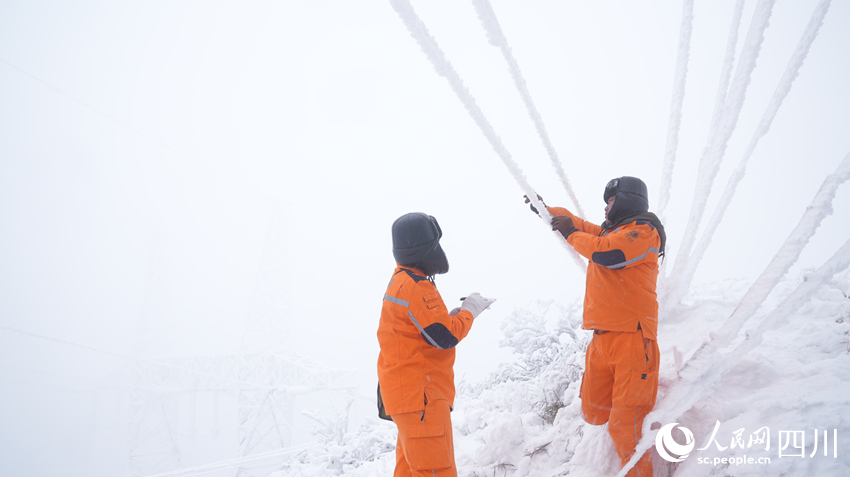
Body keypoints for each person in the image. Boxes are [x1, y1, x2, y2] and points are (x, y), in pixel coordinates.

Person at [528, 177, 666, 477]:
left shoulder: (644, 232)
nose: (606, 207)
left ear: (629, 200)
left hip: (633, 338)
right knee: (593, 411)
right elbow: (577, 224)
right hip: (602, 338)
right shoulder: (611, 232)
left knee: (625, 427)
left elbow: (608, 253)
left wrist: (571, 234)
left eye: (612, 201)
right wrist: (544, 208)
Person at [377, 212, 495, 477]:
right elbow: (445, 337)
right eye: (435, 245)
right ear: (422, 249)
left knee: (410, 470)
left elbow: (423, 331)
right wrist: (470, 311)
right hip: (422, 400)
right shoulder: (416, 286)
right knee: (434, 471)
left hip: (407, 400)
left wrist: (449, 317)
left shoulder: (400, 281)